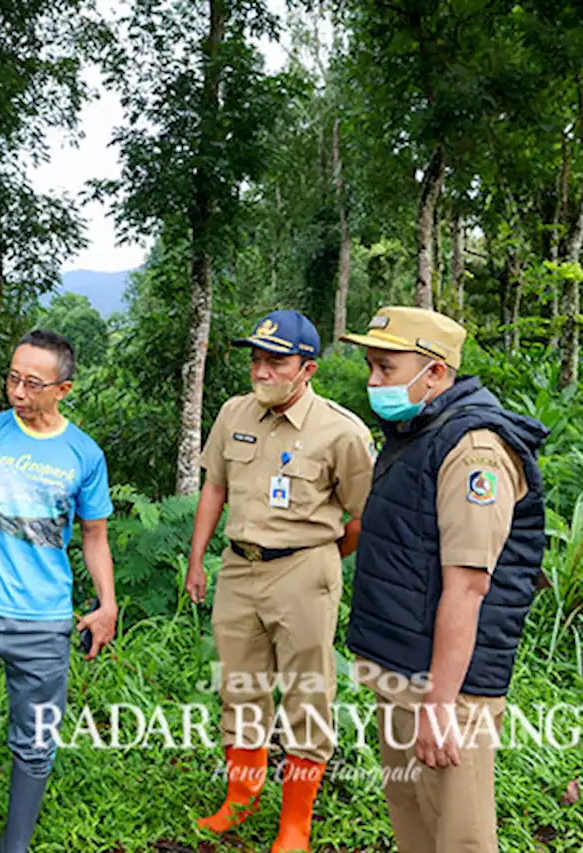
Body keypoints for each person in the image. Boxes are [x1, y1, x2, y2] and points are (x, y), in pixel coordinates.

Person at [339, 306, 548, 853]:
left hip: (446, 687)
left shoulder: (474, 449)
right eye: (371, 367)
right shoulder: (415, 432)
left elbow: (468, 586)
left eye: (386, 368)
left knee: (459, 835)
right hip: (405, 668)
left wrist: (439, 705)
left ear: (434, 372)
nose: (373, 381)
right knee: (414, 820)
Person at [188, 309, 375, 853]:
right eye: (255, 359)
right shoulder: (232, 413)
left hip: (305, 570)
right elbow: (214, 489)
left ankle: (295, 822)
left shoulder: (342, 431)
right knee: (240, 687)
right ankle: (240, 798)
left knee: (307, 693)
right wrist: (199, 559)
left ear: (307, 369)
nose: (261, 371)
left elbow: (361, 517)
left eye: (276, 361)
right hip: (238, 568)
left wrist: (317, 557)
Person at [0, 329, 117, 853]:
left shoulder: (84, 454)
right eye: (13, 377)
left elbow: (95, 536)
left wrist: (108, 603)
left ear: (64, 388)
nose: (17, 391)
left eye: (33, 382)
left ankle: (17, 847)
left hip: (45, 623)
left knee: (35, 746)